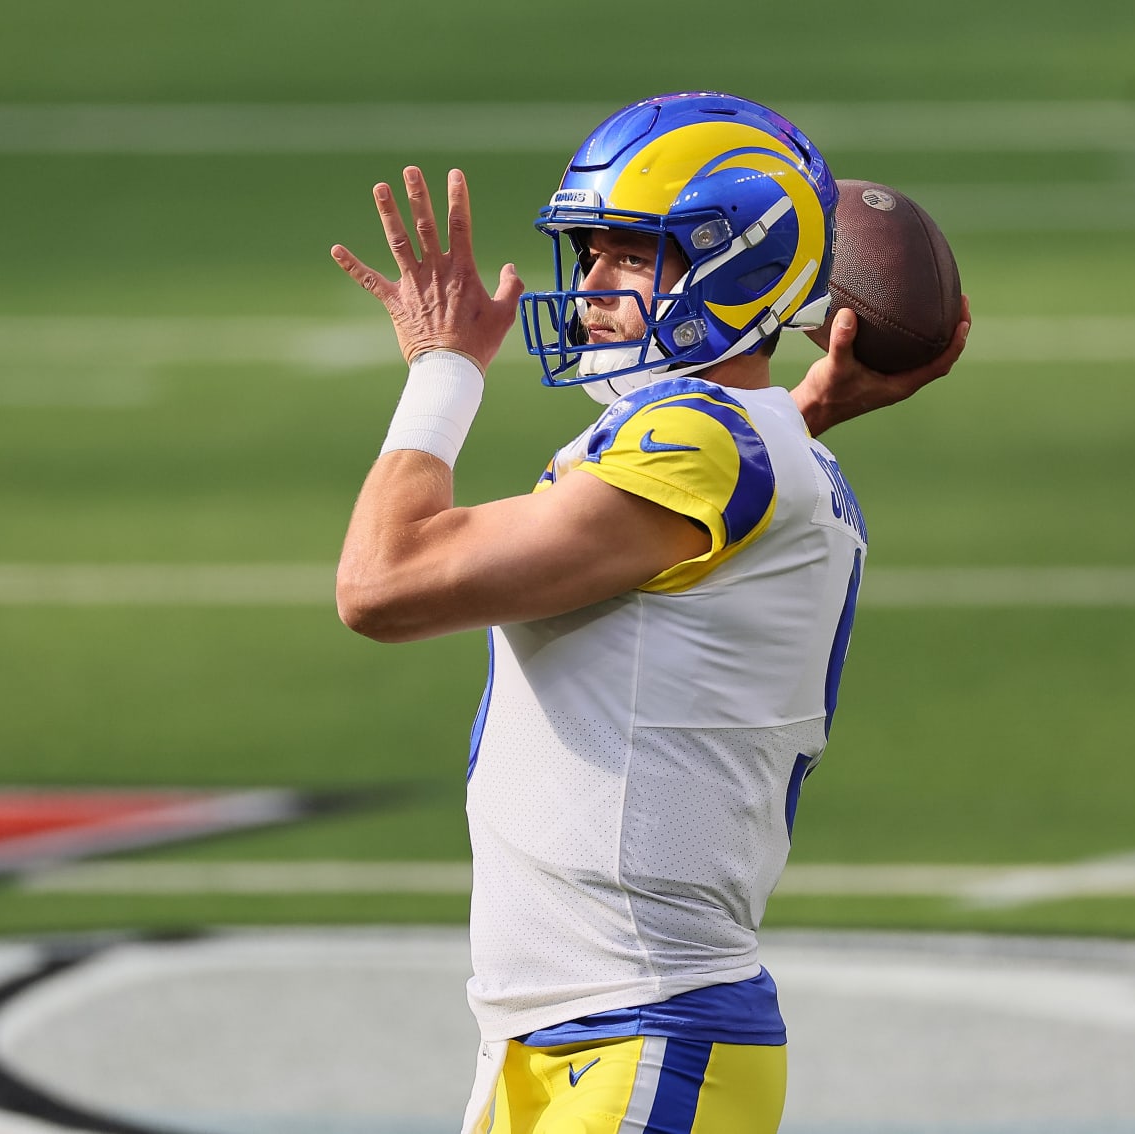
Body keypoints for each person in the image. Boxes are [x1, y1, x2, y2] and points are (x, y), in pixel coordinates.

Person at [330, 92, 969, 1134]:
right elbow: (728, 484)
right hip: (566, 1034)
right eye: (588, 255)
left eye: (632, 254)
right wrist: (803, 406)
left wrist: (442, 370)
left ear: (745, 263)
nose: (590, 289)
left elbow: (384, 585)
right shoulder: (746, 447)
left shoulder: (705, 445)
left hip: (641, 1032)